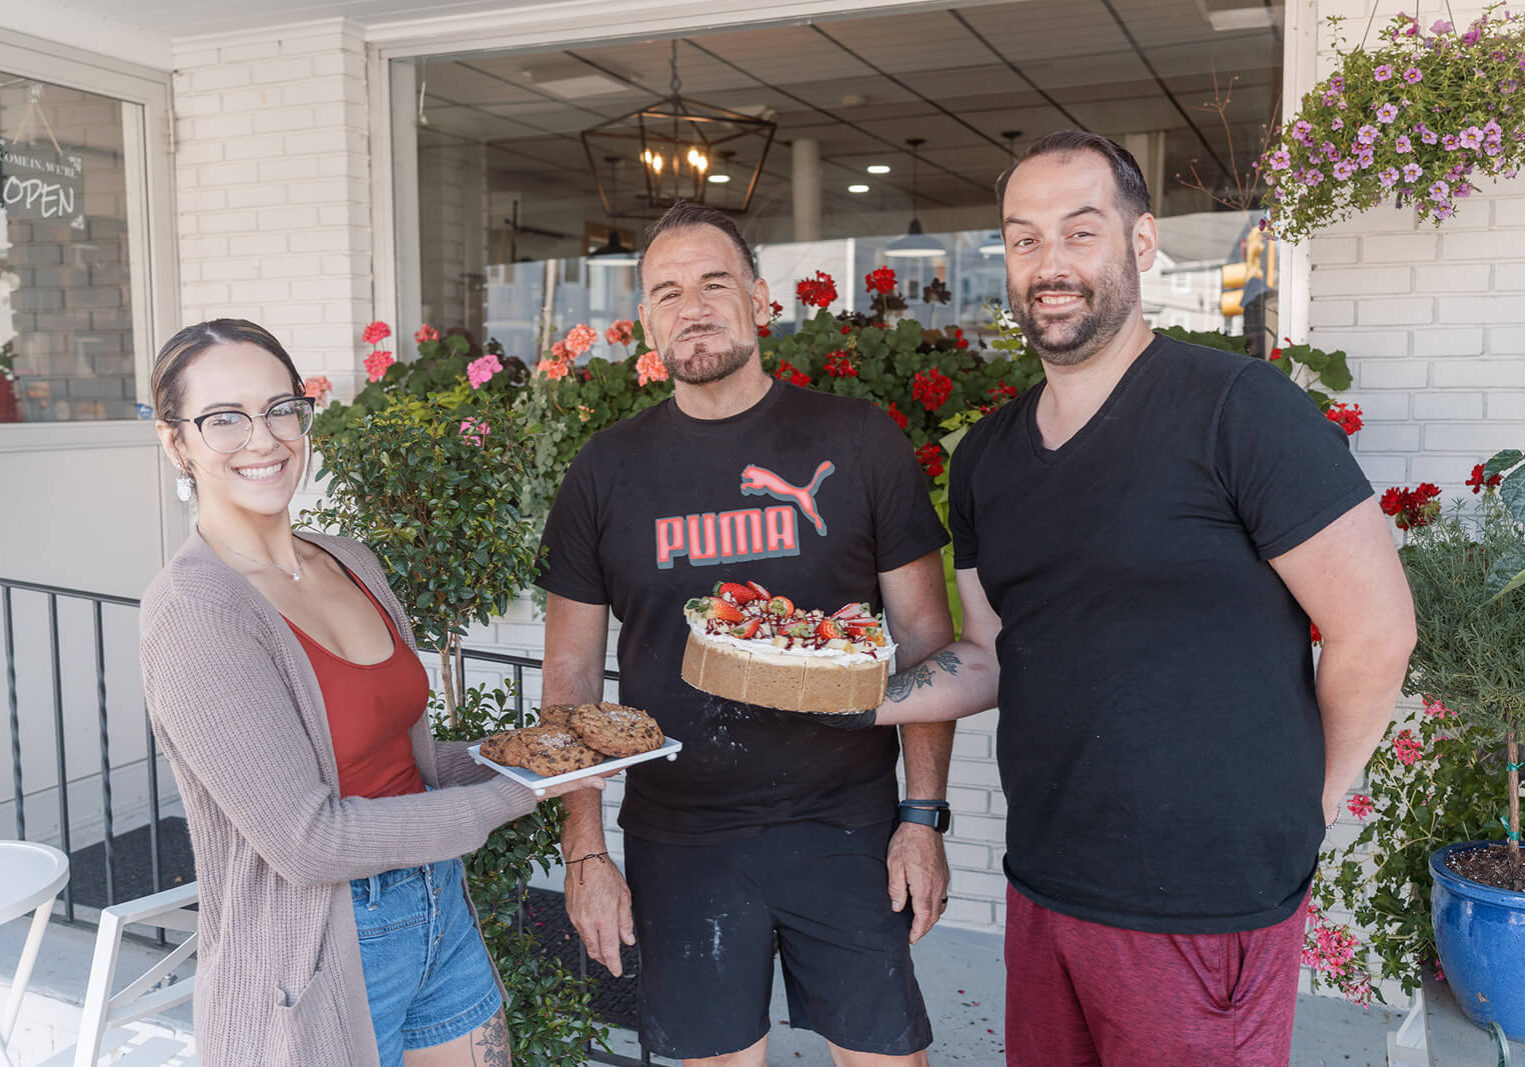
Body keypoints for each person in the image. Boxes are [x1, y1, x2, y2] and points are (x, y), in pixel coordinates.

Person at [864, 132, 1417, 1065]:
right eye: (1025, 238)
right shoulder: (988, 456)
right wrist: (849, 698)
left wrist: (1306, 806)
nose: (1051, 265)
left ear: (1141, 240)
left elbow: (1377, 628)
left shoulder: (1238, 409)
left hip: (1207, 902)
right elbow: (991, 652)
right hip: (1046, 884)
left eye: (1081, 232)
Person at [535, 202, 957, 1066]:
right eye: (667, 291)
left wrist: (922, 816)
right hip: (680, 836)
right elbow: (569, 679)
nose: (692, 306)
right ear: (646, 321)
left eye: (714, 282)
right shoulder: (604, 472)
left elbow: (924, 642)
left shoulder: (857, 439)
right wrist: (585, 848)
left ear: (760, 301)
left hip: (846, 826)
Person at [139, 319, 603, 1067]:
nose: (263, 439)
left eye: (280, 407)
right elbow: (308, 841)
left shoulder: (350, 561)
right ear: (176, 442)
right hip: (316, 950)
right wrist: (522, 790)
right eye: (223, 419)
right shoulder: (197, 614)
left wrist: (535, 752)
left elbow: (404, 756)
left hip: (436, 910)